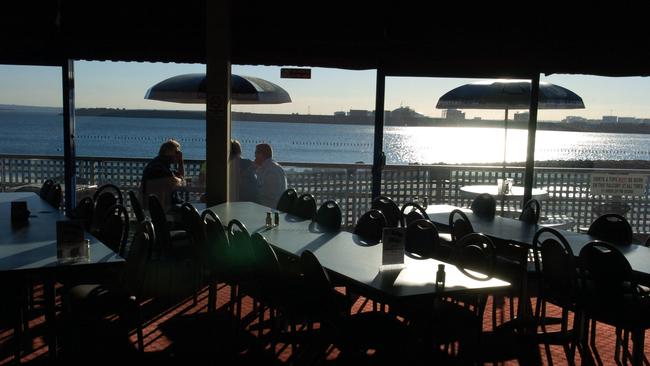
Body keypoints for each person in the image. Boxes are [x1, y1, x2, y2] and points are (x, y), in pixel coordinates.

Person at [140, 139, 185, 211]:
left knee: (187, 208)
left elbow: (180, 176)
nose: (179, 154)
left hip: (156, 204)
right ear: (168, 152)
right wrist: (179, 179)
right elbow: (177, 182)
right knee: (188, 210)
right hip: (160, 207)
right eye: (176, 152)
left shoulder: (161, 163)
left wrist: (180, 161)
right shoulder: (158, 166)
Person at [254, 143, 287, 208]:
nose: (254, 156)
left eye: (256, 153)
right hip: (270, 205)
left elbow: (270, 193)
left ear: (261, 155)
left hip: (271, 207)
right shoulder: (270, 167)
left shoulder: (271, 171)